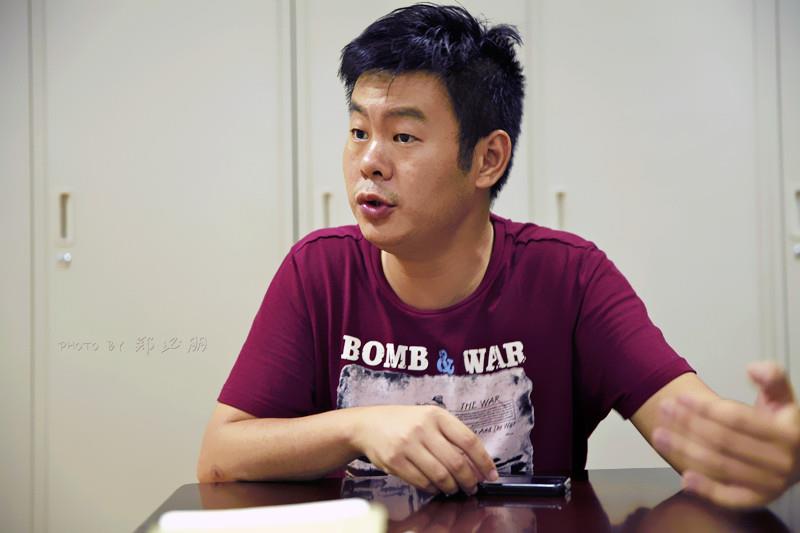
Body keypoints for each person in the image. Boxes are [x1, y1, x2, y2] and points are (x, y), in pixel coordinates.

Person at [197, 3, 800, 509]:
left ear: (488, 159)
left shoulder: (569, 277)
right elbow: (221, 457)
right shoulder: (318, 272)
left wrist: (767, 452)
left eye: (403, 136)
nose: (370, 161)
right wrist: (359, 425)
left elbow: (693, 431)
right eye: (359, 131)